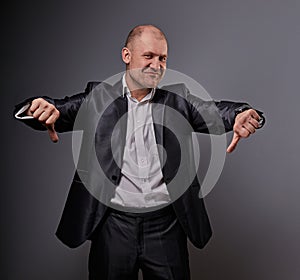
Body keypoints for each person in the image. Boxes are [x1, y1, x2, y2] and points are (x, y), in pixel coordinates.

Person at [14, 25, 265, 280]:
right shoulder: (98, 98)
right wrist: (37, 108)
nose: (156, 65)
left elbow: (216, 111)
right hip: (113, 226)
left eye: (162, 58)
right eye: (148, 56)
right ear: (126, 55)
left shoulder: (179, 100)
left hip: (165, 227)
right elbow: (57, 109)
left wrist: (241, 113)